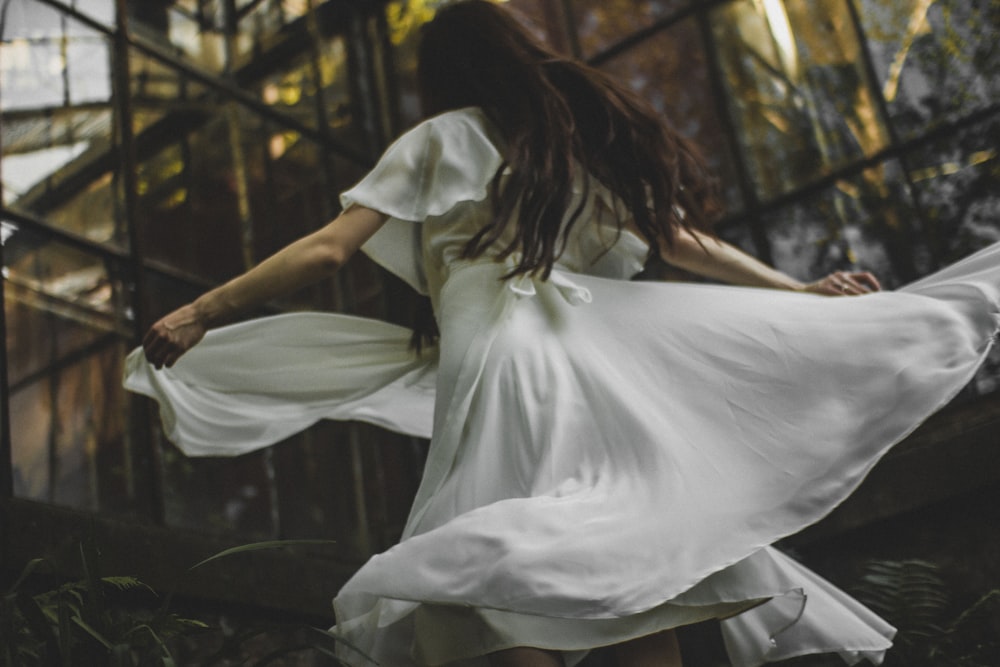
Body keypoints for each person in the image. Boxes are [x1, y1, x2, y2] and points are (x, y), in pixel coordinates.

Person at [129, 2, 1000, 666]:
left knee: (499, 563)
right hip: (582, 361)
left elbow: (328, 248)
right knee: (625, 564)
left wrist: (203, 310)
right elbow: (678, 241)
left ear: (445, 73)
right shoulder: (560, 151)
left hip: (506, 360)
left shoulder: (442, 137)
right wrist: (796, 289)